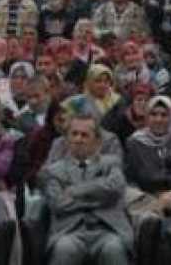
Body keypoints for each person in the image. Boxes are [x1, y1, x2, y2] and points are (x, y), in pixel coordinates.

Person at [39, 112, 133, 265]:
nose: (78, 139)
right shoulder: (53, 171)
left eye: (84, 135)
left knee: (114, 248)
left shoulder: (111, 164)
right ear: (67, 139)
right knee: (64, 248)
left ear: (97, 141)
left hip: (107, 230)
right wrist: (99, 197)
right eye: (74, 134)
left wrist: (75, 192)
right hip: (70, 231)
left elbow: (116, 189)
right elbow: (59, 204)